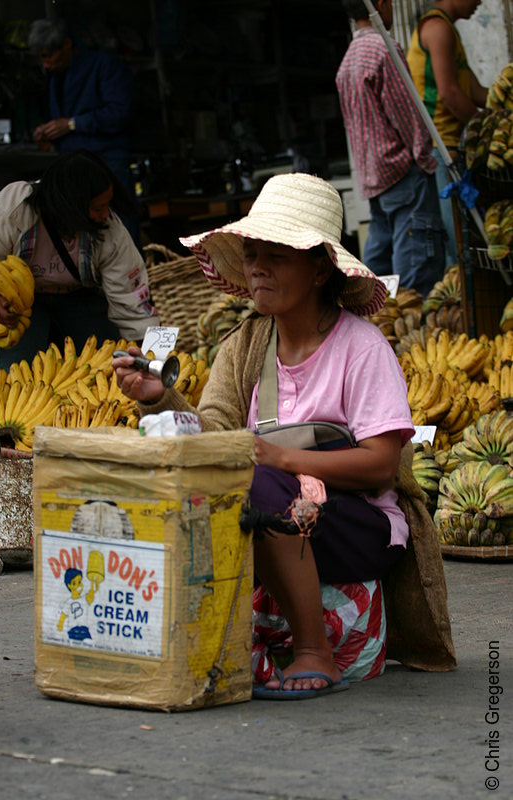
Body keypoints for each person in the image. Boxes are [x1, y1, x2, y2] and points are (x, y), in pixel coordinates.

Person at [113, 172, 456, 699]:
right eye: (252, 253)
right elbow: (216, 435)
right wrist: (160, 396)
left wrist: (280, 459)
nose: (257, 268)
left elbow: (381, 465)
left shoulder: (362, 349)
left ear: (321, 269)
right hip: (280, 512)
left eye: (277, 255)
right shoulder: (244, 345)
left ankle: (316, 650)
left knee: (260, 482)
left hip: (358, 527)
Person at [0, 150, 158, 371]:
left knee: (100, 367)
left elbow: (131, 300)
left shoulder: (110, 232)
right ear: (72, 206)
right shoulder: (11, 212)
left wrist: (150, 358)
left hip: (82, 300)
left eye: (107, 206)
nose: (105, 214)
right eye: (97, 208)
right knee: (19, 373)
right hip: (21, 308)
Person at [336, 0, 445, 298]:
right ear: (380, 3)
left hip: (375, 181)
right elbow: (409, 117)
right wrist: (425, 161)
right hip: (402, 174)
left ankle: (379, 328)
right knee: (415, 272)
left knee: (379, 271)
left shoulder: (348, 60)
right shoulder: (385, 50)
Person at [407, 0, 489, 266]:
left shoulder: (449, 31)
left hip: (454, 146)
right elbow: (450, 95)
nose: (479, 2)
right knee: (459, 243)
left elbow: (474, 91)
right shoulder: (437, 28)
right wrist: (484, 131)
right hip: (441, 148)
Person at [27, 18, 133, 191]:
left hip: (106, 161)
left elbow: (119, 113)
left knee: (115, 215)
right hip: (72, 162)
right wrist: (49, 134)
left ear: (67, 44)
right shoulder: (56, 76)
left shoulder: (104, 65)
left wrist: (71, 124)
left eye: (48, 56)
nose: (46, 64)